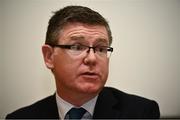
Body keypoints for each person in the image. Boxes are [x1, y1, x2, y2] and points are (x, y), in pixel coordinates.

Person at [6, 5, 160, 119]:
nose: (92, 58)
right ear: (49, 57)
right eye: (77, 47)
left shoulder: (141, 112)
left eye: (101, 49)